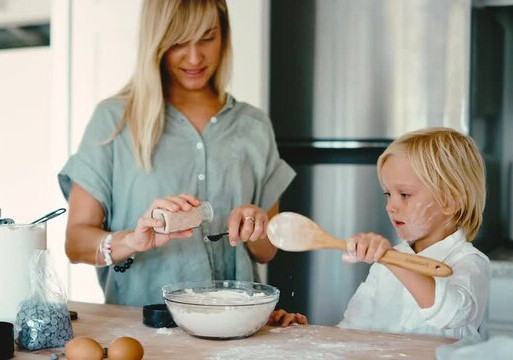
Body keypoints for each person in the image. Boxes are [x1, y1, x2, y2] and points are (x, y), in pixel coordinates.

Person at [58, 0, 295, 306]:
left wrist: (256, 226)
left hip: (236, 326)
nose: (195, 57)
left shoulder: (254, 126)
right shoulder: (113, 121)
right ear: (156, 41)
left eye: (207, 37)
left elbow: (266, 251)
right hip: (144, 331)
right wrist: (132, 239)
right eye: (179, 41)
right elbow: (75, 244)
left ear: (224, 34)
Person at [270, 127, 489, 340]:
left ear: (449, 202)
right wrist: (304, 331)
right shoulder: (384, 265)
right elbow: (351, 332)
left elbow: (453, 314)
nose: (390, 206)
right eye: (388, 194)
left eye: (404, 194)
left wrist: (391, 259)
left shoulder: (469, 262)